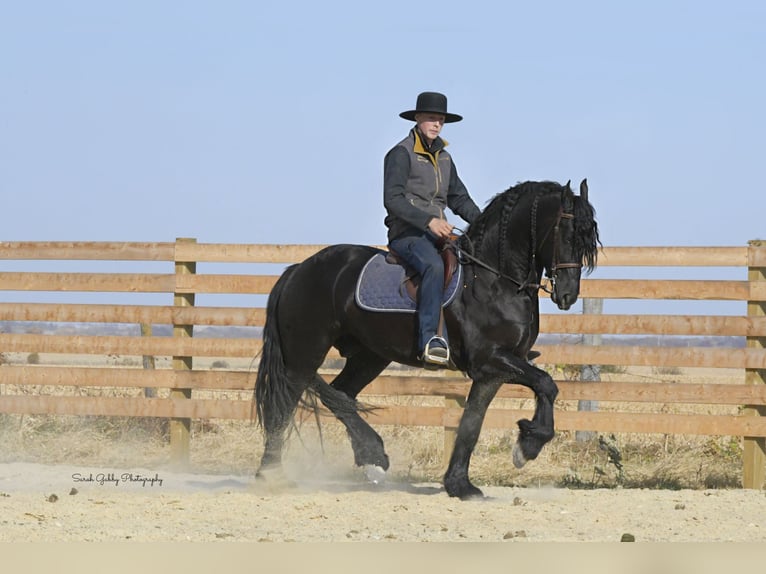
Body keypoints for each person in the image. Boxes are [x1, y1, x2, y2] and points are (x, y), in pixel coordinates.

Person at [383, 91, 482, 366]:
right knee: (433, 267)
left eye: (440, 120)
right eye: (431, 118)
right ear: (417, 119)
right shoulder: (400, 154)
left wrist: (485, 223)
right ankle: (430, 339)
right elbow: (392, 199)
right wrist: (429, 221)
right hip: (407, 234)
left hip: (439, 233)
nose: (436, 124)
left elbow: (459, 198)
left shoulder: (445, 158)